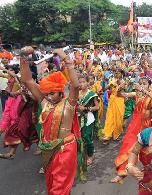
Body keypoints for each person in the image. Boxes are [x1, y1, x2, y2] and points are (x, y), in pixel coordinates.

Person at [20, 46, 84, 195]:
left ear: (61, 92)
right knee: (51, 184)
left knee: (59, 188)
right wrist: (23, 57)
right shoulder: (44, 102)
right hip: (47, 148)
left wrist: (66, 59)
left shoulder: (69, 104)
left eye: (53, 93)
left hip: (65, 149)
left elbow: (75, 85)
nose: (49, 96)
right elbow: (27, 80)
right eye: (46, 93)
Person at [111, 77, 152, 184]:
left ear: (149, 85)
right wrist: (121, 87)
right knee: (127, 147)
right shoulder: (136, 95)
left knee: (147, 153)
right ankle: (121, 173)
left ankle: (151, 176)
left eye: (145, 84)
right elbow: (120, 95)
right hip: (134, 125)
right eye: (141, 83)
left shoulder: (151, 96)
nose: (142, 85)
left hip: (147, 127)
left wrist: (143, 90)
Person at [78, 75, 100, 166]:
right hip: (78, 118)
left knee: (87, 136)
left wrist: (86, 108)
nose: (81, 84)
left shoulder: (92, 94)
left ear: (88, 83)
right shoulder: (77, 93)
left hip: (88, 118)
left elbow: (97, 107)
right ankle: (82, 153)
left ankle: (90, 155)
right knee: (79, 137)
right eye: (80, 82)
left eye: (83, 82)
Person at [102, 69, 126, 144]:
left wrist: (118, 84)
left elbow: (121, 92)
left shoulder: (123, 82)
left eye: (118, 73)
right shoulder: (111, 80)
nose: (117, 74)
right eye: (116, 73)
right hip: (112, 100)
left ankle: (116, 134)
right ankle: (107, 136)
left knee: (118, 118)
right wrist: (107, 84)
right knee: (110, 117)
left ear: (122, 74)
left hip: (119, 100)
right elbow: (104, 89)